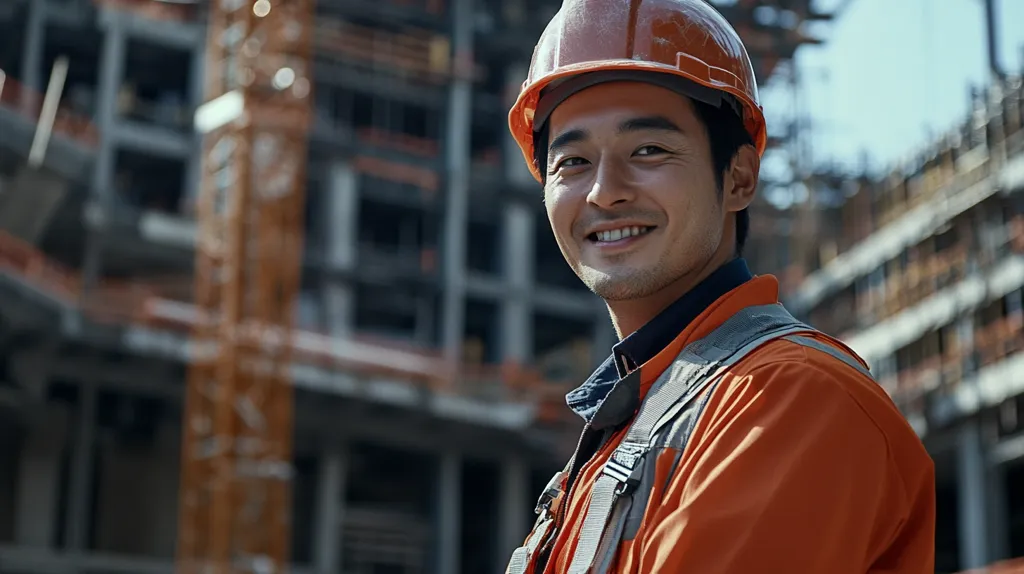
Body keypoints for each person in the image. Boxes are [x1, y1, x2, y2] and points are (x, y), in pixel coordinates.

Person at [504, 1, 936, 573]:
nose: (604, 192)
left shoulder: (787, 400)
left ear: (738, 178)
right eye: (573, 162)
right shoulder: (635, 423)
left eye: (648, 150)